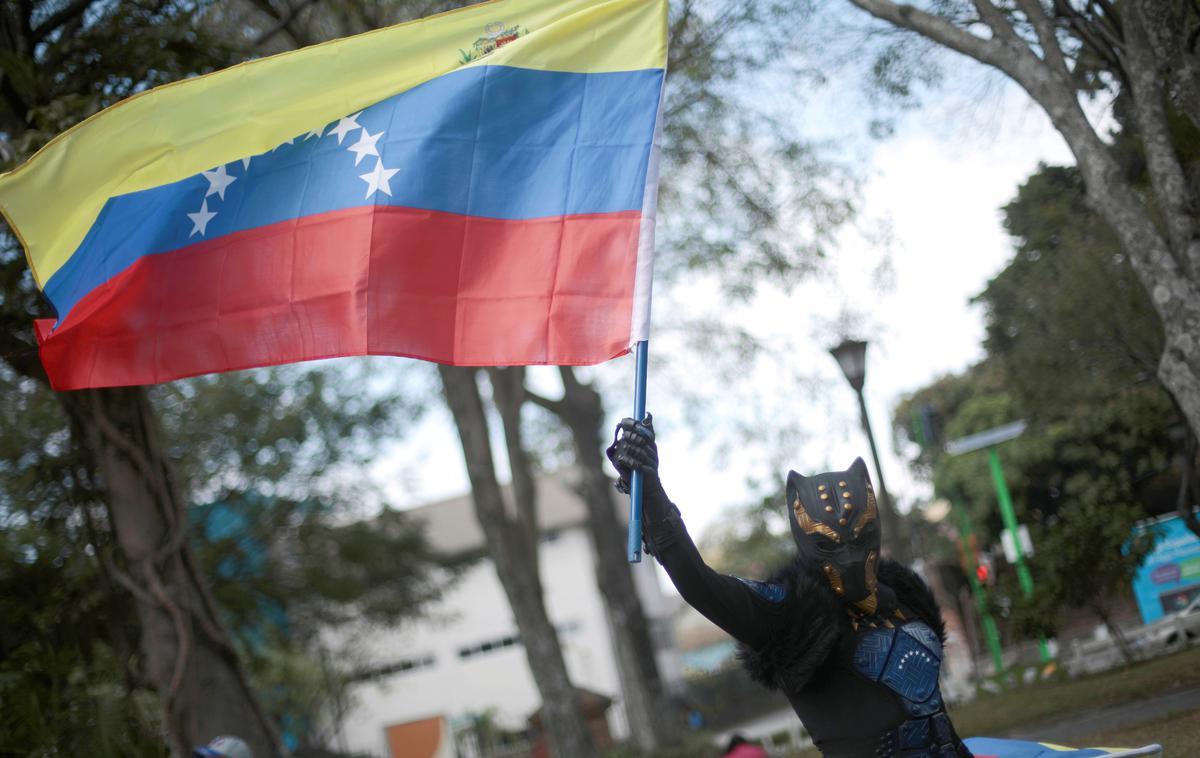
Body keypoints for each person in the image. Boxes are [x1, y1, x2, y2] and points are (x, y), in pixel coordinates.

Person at [608, 415, 971, 758]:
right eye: (829, 543)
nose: (848, 555)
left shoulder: (902, 598)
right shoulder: (795, 615)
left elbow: (936, 721)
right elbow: (702, 585)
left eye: (859, 537)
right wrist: (652, 493)